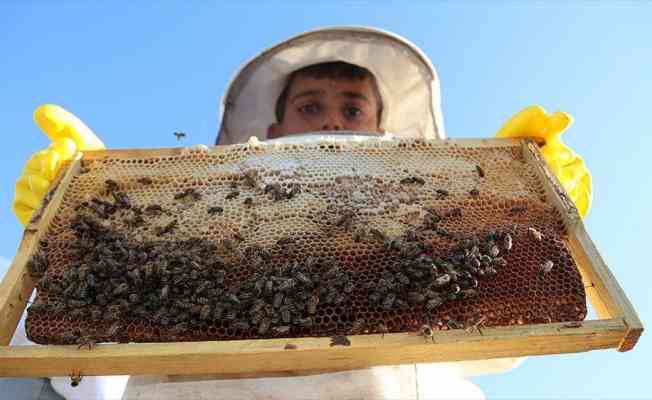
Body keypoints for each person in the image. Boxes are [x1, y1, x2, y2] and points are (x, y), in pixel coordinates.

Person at [11, 27, 592, 400]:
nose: (332, 121)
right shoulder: (202, 207)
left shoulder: (434, 210)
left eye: (352, 108)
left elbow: (513, 333)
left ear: (383, 129)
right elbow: (73, 355)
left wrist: (520, 213)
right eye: (310, 105)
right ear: (270, 130)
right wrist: (82, 212)